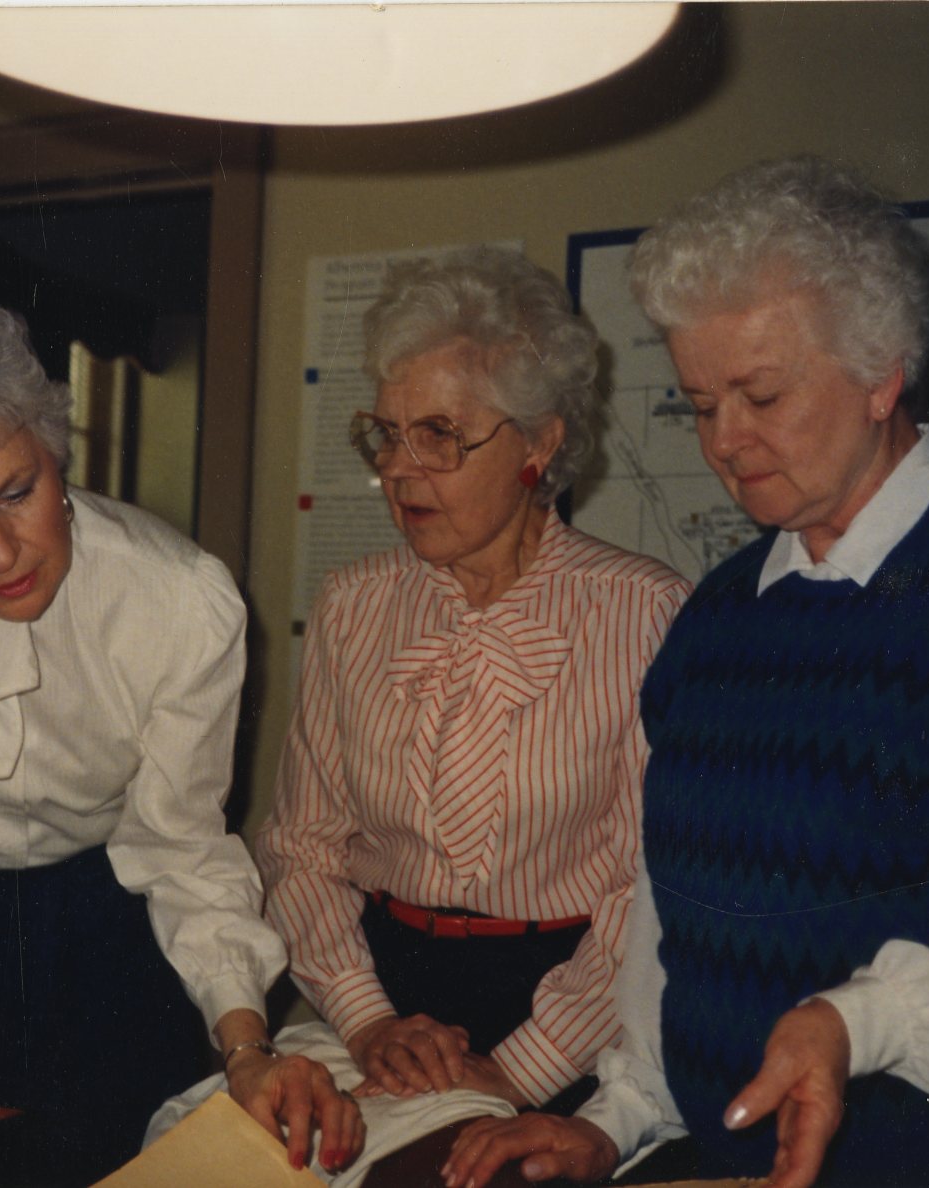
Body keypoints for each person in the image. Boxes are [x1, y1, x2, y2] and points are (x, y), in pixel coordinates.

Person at [441, 157, 929, 1188]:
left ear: (883, 373)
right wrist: (622, 1116)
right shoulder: (715, 620)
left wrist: (857, 1020)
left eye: (761, 394)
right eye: (700, 404)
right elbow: (674, 918)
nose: (726, 443)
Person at [0, 275, 362, 1188]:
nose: (2, 555)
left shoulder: (177, 600)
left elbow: (178, 844)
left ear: (56, 447)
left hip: (110, 917)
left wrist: (246, 1045)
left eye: (18, 490)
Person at [257, 248, 690, 1122]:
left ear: (540, 443)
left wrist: (522, 1071)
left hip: (570, 1017)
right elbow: (302, 848)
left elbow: (649, 890)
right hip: (379, 1006)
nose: (399, 470)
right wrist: (369, 1020)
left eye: (440, 435)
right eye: (387, 432)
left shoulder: (649, 614)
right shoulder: (353, 606)